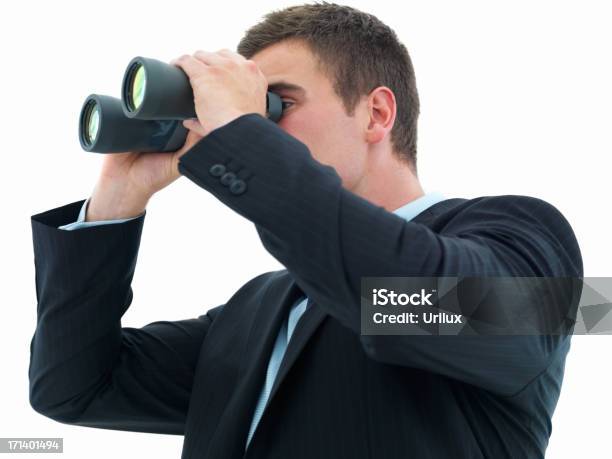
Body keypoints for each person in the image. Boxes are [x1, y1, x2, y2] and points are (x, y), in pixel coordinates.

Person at [29, 3, 583, 458]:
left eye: (278, 104)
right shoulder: (259, 310)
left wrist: (241, 135)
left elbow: (412, 300)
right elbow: (74, 386)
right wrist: (115, 204)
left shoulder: (520, 233)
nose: (249, 124)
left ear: (376, 114)